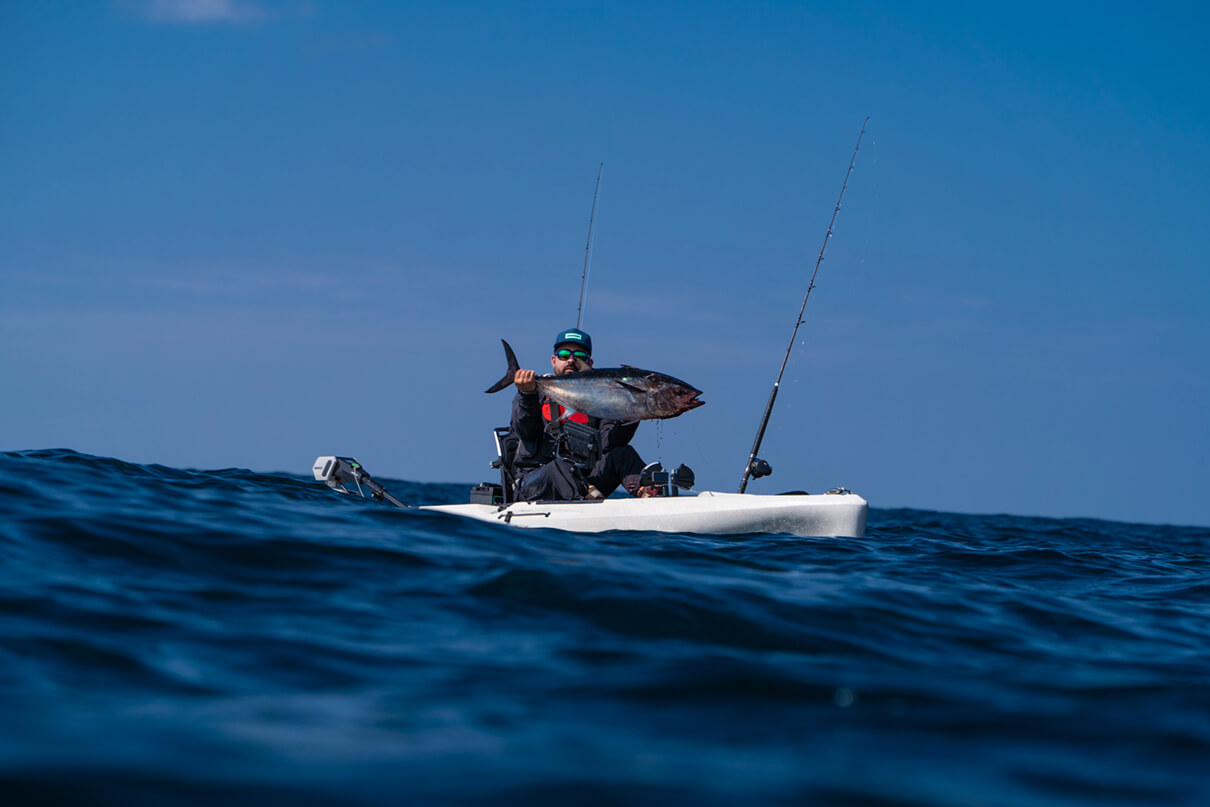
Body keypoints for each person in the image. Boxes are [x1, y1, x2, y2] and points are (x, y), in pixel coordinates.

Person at [510, 328, 660, 501]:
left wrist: (630, 410)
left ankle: (649, 493)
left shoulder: (602, 397)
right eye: (564, 355)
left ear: (590, 363)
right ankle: (587, 496)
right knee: (561, 466)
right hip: (535, 481)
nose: (571, 360)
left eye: (579, 356)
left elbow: (609, 443)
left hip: (586, 480)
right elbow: (526, 432)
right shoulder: (535, 393)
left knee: (623, 453)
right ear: (553, 360)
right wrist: (526, 395)